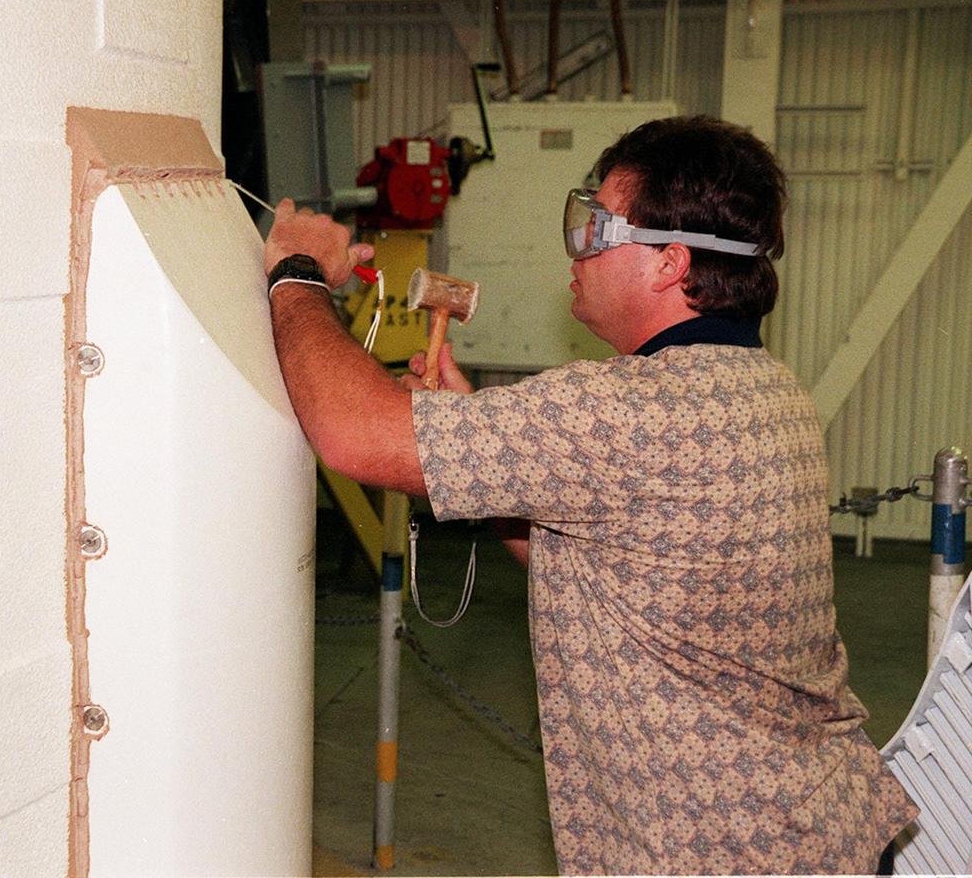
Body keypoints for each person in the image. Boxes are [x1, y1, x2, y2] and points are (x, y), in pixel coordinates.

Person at [262, 115, 916, 875]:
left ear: (670, 263)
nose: (576, 249)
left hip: (714, 855)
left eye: (598, 228)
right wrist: (486, 451)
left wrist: (298, 272)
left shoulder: (625, 408)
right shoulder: (767, 389)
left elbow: (352, 434)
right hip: (815, 828)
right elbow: (611, 563)